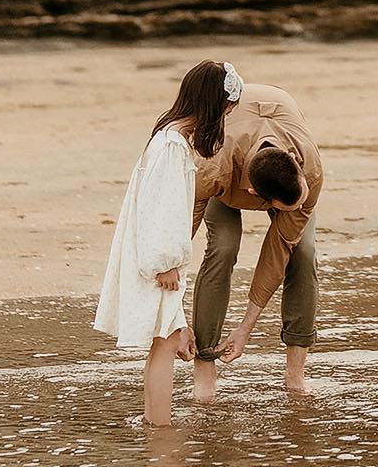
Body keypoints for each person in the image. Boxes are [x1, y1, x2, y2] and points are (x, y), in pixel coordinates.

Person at [93, 58, 232, 425]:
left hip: (157, 256)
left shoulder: (169, 138)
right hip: (157, 259)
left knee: (168, 340)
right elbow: (162, 207)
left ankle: (157, 423)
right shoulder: (171, 146)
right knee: (164, 344)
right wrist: (165, 261)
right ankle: (159, 426)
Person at [190, 75, 322, 400]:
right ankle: (205, 366)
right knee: (223, 246)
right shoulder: (212, 167)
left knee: (302, 253)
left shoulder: (310, 172)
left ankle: (295, 375)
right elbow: (182, 229)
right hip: (228, 158)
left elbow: (278, 252)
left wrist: (245, 328)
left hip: (274, 118)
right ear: (255, 195)